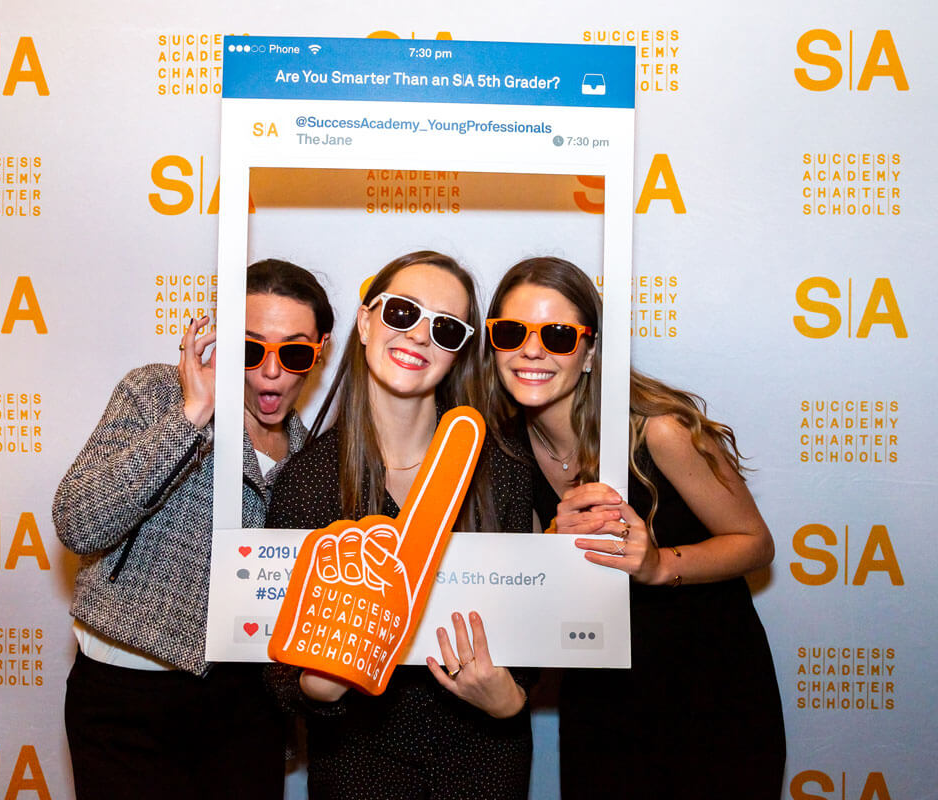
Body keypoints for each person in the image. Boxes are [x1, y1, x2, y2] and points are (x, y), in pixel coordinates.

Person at [484, 256, 786, 800]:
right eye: (511, 332)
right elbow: (533, 583)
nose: (531, 350)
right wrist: (552, 543)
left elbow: (756, 543)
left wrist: (657, 564)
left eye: (557, 335)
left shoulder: (659, 430)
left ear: (591, 350)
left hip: (710, 686)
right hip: (602, 692)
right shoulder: (503, 448)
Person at [53, 259, 334, 800]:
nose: (270, 372)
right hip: (127, 692)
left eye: (294, 352)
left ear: (319, 351)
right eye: (251, 349)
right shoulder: (155, 394)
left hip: (248, 699)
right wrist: (191, 415)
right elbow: (78, 522)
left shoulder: (313, 457)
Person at [266, 250, 534, 800]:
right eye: (402, 313)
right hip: (356, 761)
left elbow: (534, 631)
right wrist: (316, 682)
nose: (418, 337)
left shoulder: (500, 471)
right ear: (365, 322)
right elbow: (277, 668)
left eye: (444, 327)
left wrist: (510, 698)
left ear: (458, 353)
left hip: (482, 759)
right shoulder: (307, 481)